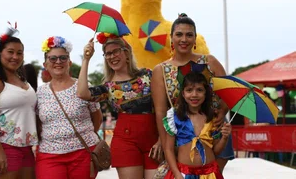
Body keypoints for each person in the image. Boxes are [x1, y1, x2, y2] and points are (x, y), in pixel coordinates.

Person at [151, 13, 234, 175]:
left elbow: (230, 93)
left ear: (195, 39)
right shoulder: (161, 70)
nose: (184, 39)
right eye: (179, 34)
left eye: (189, 35)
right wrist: (164, 140)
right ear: (171, 38)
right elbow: (161, 111)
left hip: (215, 132)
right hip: (182, 136)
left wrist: (222, 112)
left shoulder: (210, 62)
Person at [77, 33, 161, 179]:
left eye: (115, 51)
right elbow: (82, 93)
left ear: (126, 52)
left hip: (154, 140)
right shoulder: (108, 87)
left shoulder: (148, 75)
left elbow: (163, 107)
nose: (111, 56)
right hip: (125, 142)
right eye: (107, 54)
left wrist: (162, 141)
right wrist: (86, 59)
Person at [35, 36, 103, 179]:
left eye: (63, 58)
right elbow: (38, 124)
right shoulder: (39, 93)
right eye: (52, 59)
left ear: (69, 62)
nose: (58, 62)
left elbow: (97, 118)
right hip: (50, 155)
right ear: (45, 64)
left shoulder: (84, 86)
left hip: (83, 153)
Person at [0, 26, 38, 179]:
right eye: (10, 52)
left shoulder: (23, 81)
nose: (15, 57)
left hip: (25, 146)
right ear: (0, 54)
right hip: (3, 144)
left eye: (19, 53)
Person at [163, 72, 231, 178]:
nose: (194, 94)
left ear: (205, 93)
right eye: (189, 90)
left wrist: (225, 138)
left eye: (199, 90)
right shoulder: (174, 117)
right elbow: (168, 149)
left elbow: (216, 151)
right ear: (183, 93)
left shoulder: (213, 118)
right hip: (184, 174)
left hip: (210, 174)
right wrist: (177, 173)